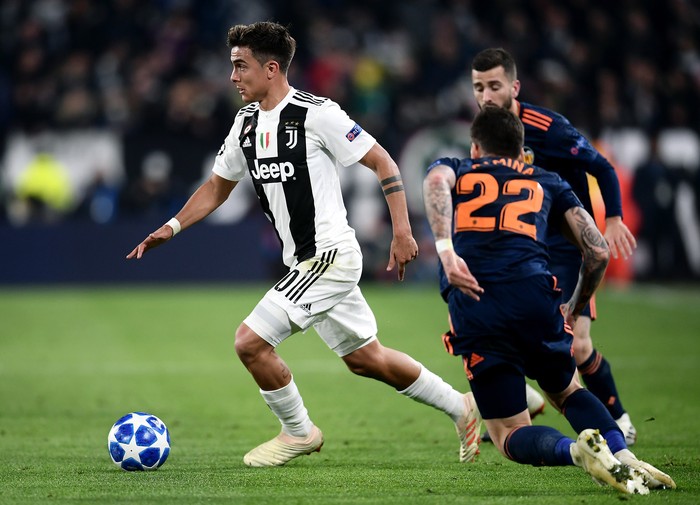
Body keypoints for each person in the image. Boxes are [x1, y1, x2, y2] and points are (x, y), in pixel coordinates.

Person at [127, 21, 480, 467]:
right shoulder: (246, 123)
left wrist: (403, 231)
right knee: (367, 359)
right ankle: (460, 405)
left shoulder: (317, 113)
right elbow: (218, 187)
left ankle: (299, 432)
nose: (233, 77)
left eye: (241, 66)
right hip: (303, 262)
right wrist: (171, 227)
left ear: (272, 68)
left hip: (330, 256)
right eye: (232, 66)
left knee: (249, 342)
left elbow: (382, 160)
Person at [422, 106, 675, 494]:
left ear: (475, 148)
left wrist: (445, 249)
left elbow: (436, 181)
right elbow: (598, 253)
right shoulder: (548, 180)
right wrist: (575, 306)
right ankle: (624, 457)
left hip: (477, 305)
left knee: (507, 432)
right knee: (568, 390)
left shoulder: (457, 167)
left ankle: (577, 452)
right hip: (536, 300)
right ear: (522, 150)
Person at [470, 48, 638, 444]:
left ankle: (619, 423)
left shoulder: (548, 127)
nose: (486, 96)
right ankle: (533, 410)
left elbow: (601, 165)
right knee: (524, 341)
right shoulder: (485, 129)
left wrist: (612, 219)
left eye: (494, 86)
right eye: (478, 87)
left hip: (565, 249)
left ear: (515, 86)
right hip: (523, 252)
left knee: (577, 346)